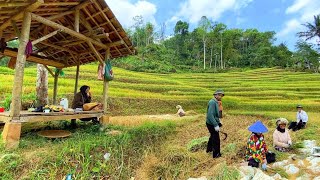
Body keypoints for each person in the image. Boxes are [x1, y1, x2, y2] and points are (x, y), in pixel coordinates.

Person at [206, 89, 224, 158]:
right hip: (211, 123)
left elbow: (216, 114)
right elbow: (210, 115)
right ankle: (216, 155)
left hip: (212, 122)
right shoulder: (212, 102)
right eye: (219, 95)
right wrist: (215, 125)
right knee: (216, 139)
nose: (220, 97)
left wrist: (218, 121)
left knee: (212, 136)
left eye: (221, 95)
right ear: (215, 95)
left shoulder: (216, 102)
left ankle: (209, 149)